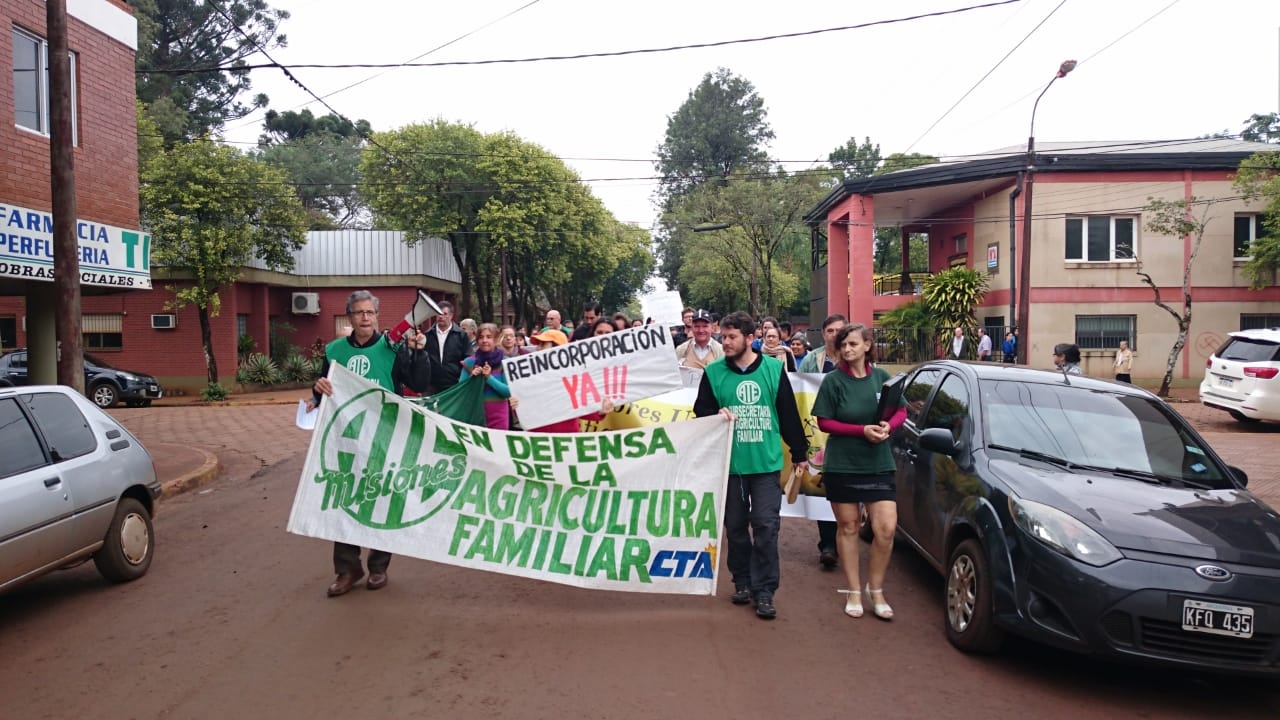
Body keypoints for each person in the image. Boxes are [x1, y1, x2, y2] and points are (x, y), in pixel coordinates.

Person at [309, 290, 434, 598]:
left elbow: (418, 383)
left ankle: (379, 567)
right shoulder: (335, 351)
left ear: (377, 317)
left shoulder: (392, 347)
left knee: (380, 501)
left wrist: (418, 353)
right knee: (345, 501)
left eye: (370, 312)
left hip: (384, 436)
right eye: (359, 312)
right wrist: (317, 390)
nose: (365, 317)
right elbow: (323, 390)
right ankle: (347, 568)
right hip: (346, 439)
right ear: (349, 317)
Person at [694, 311, 809, 620]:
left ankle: (765, 590)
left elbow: (787, 414)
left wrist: (800, 452)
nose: (725, 342)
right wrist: (716, 412)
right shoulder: (714, 372)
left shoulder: (773, 370)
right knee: (736, 528)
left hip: (765, 464)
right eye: (724, 337)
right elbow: (700, 410)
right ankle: (742, 581)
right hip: (729, 467)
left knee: (766, 526)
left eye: (731, 337)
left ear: (749, 339)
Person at [811, 323, 907, 621]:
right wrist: (860, 430)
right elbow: (824, 422)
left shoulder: (882, 378)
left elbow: (901, 410)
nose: (847, 349)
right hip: (843, 464)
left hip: (878, 463)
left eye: (853, 343)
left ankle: (875, 589)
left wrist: (888, 426)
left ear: (867, 345)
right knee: (849, 527)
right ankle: (854, 590)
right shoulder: (833, 381)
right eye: (843, 345)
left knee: (886, 528)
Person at [798, 313, 846, 569]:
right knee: (822, 485)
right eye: (831, 331)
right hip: (817, 429)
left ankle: (842, 542)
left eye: (841, 330)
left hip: (848, 431)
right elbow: (800, 390)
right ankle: (827, 545)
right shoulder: (811, 360)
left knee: (845, 491)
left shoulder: (854, 357)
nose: (836, 335)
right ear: (824, 334)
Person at [514, 329, 614, 433]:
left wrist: (601, 411)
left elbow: (584, 406)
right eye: (538, 344)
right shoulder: (529, 376)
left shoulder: (573, 378)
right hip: (538, 440)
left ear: (558, 348)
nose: (538, 348)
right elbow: (524, 413)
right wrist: (516, 405)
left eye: (543, 344)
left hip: (566, 439)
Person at [460, 323, 512, 430]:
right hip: (474, 417)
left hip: (499, 417)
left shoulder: (505, 362)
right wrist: (472, 378)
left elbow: (508, 392)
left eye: (489, 337)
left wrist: (489, 378)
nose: (484, 340)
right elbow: (460, 392)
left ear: (496, 340)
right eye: (481, 337)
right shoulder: (469, 362)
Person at [425, 300, 471, 392]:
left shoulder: (461, 335)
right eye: (438, 313)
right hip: (431, 384)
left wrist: (462, 378)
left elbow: (468, 357)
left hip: (453, 383)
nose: (441, 316)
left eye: (444, 314)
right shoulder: (428, 335)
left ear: (451, 316)